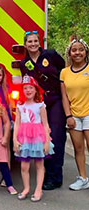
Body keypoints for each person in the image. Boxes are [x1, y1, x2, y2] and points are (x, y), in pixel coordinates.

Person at [20, 30, 66, 190]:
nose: (32, 44)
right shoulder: (24, 63)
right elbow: (27, 86)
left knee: (56, 137)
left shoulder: (51, 55)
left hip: (56, 100)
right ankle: (45, 175)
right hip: (39, 104)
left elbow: (64, 72)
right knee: (42, 138)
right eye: (29, 42)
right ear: (25, 44)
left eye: (35, 41)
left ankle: (55, 177)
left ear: (40, 42)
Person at [13, 75, 54, 202]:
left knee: (39, 165)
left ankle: (38, 190)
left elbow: (45, 124)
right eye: (25, 88)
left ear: (36, 90)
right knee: (24, 166)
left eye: (31, 88)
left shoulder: (40, 105)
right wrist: (15, 139)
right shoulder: (20, 106)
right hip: (24, 137)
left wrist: (47, 141)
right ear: (22, 91)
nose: (28, 90)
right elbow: (17, 123)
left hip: (38, 137)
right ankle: (26, 188)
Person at [60, 37, 89, 190]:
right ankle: (83, 178)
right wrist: (68, 116)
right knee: (78, 148)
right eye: (74, 50)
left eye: (81, 50)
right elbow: (64, 96)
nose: (77, 53)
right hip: (74, 115)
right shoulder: (64, 73)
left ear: (86, 52)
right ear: (70, 53)